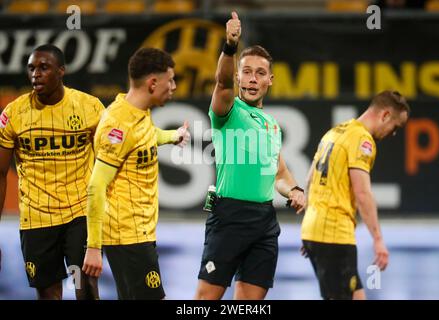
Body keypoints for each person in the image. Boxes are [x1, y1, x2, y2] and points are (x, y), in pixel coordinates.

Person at [194, 12, 305, 300]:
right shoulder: (228, 111)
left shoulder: (272, 125)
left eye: (259, 73)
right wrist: (230, 46)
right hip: (229, 217)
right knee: (205, 300)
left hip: (265, 222)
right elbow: (221, 83)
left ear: (270, 80)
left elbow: (279, 173)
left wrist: (293, 190)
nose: (252, 79)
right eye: (246, 71)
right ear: (237, 76)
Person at [82, 47, 190, 300]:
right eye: (170, 80)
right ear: (153, 83)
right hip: (127, 237)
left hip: (139, 234)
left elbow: (146, 136)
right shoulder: (118, 125)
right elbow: (96, 186)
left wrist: (173, 136)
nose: (174, 86)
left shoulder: (137, 113)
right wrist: (93, 248)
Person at [0, 44, 103, 300]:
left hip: (80, 214)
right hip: (37, 219)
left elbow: (107, 166)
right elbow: (0, 173)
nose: (36, 74)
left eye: (44, 68)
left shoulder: (89, 107)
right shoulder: (14, 114)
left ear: (61, 71)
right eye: (31, 68)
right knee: (48, 294)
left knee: (86, 287)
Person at [301, 90, 410, 300]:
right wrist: (378, 239)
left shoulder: (335, 132)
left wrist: (311, 228)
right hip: (334, 233)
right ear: (385, 115)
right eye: (396, 127)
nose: (393, 133)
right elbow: (362, 193)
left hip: (317, 230)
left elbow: (310, 180)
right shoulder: (362, 140)